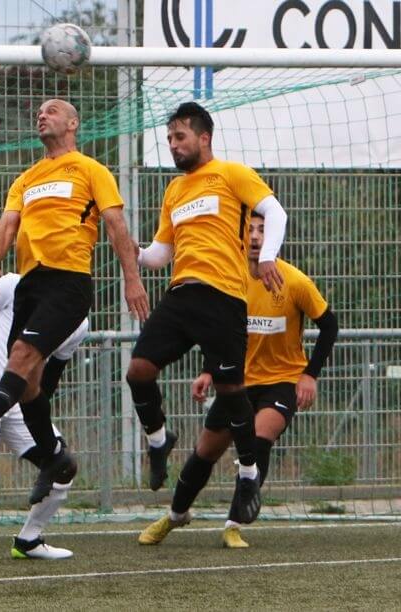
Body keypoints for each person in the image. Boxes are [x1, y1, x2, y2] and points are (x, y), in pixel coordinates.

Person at [0, 99, 148, 506]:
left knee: (22, 355)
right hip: (31, 283)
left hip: (69, 281)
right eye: (39, 112)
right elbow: (7, 223)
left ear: (73, 123)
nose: (42, 115)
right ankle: (52, 455)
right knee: (27, 382)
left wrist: (132, 279)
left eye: (53, 110)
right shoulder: (27, 177)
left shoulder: (91, 170)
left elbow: (115, 224)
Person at [129, 102, 288, 529]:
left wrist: (268, 256)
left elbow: (275, 212)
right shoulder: (174, 191)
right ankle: (159, 440)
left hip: (223, 297)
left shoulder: (231, 174)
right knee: (139, 370)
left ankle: (250, 474)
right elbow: (161, 255)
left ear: (204, 138)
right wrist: (133, 250)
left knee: (231, 388)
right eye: (168, 140)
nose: (173, 146)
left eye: (180, 137)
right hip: (182, 294)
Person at [138, 211, 337, 547]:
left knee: (260, 436)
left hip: (281, 382)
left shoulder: (295, 282)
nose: (256, 237)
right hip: (237, 383)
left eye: (263, 230)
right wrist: (207, 371)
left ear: (274, 237)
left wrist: (309, 375)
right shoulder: (228, 284)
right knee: (204, 452)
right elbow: (220, 335)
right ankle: (175, 515)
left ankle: (233, 523)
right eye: (250, 230)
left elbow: (329, 325)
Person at [0, 273, 86, 565]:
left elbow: (49, 382)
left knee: (64, 465)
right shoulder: (14, 283)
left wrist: (39, 420)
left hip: (21, 400)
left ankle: (28, 539)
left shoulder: (78, 320)